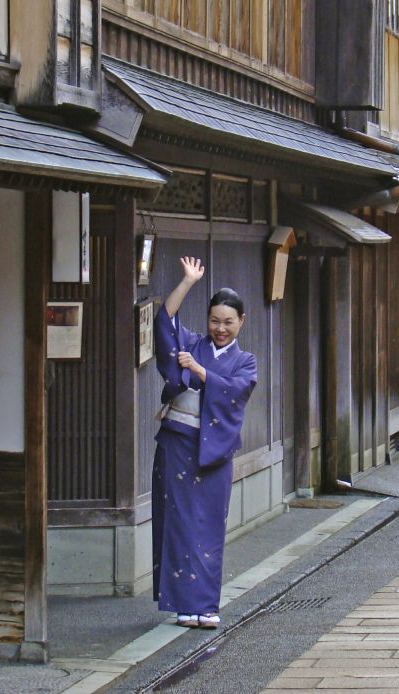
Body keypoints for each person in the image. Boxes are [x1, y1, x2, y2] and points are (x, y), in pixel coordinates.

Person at [152, 256, 258, 630]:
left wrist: (201, 373)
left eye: (228, 322)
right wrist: (187, 283)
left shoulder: (246, 362)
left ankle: (206, 604)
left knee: (209, 525)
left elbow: (237, 391)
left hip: (213, 451)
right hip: (178, 444)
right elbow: (165, 323)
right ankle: (184, 604)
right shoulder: (192, 342)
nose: (220, 329)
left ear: (241, 322)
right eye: (215, 321)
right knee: (180, 522)